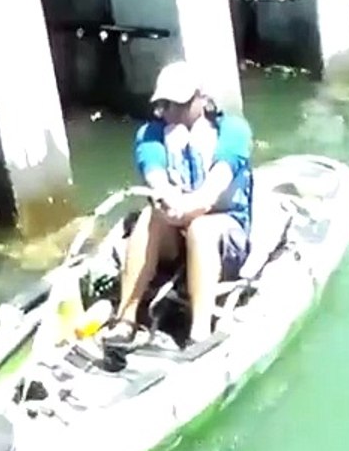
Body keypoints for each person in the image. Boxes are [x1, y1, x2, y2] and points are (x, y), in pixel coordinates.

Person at [101, 61, 255, 346]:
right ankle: (125, 319)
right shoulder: (151, 135)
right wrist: (168, 200)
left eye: (180, 104)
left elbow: (214, 187)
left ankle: (200, 332)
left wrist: (189, 207)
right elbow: (155, 174)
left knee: (202, 229)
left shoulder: (233, 131)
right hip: (175, 232)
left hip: (224, 235)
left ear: (202, 98)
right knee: (150, 217)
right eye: (165, 104)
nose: (171, 112)